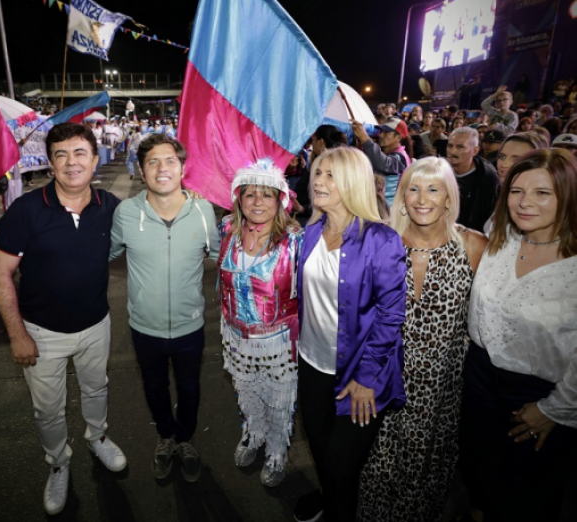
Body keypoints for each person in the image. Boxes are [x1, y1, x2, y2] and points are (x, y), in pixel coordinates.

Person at [0, 123, 127, 516]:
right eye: (61, 155)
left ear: (94, 158)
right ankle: (58, 463)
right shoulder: (27, 210)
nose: (71, 163)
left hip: (96, 325)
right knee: (47, 410)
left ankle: (97, 437)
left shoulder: (111, 206)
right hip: (41, 333)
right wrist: (17, 335)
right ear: (50, 163)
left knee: (96, 388)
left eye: (80, 152)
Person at [358, 157, 487, 522]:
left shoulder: (473, 246)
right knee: (379, 463)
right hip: (385, 380)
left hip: (442, 389)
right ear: (401, 196)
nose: (421, 198)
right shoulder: (382, 243)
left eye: (433, 188)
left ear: (449, 198)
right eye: (413, 188)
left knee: (427, 466)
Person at [460, 148, 577, 522]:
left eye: (542, 193)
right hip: (478, 377)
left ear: (567, 196)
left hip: (539, 393)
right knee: (477, 471)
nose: (525, 203)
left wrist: (555, 409)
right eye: (516, 191)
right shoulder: (499, 238)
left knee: (526, 491)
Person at [293, 147, 407, 522]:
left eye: (330, 175)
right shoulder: (309, 233)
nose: (319, 181)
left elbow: (391, 316)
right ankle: (330, 503)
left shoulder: (381, 240)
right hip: (312, 366)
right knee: (325, 457)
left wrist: (367, 377)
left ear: (354, 182)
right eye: (318, 173)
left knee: (342, 466)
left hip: (360, 375)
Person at [109, 134, 219, 483]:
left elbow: (221, 256)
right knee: (154, 387)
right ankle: (166, 437)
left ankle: (185, 439)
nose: (162, 168)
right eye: (152, 162)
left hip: (190, 326)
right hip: (145, 327)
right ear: (141, 170)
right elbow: (105, 253)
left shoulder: (202, 211)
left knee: (189, 387)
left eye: (170, 160)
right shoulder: (126, 212)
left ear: (183, 168)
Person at [218, 159, 302, 487]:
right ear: (239, 198)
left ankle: (277, 451)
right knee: (248, 393)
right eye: (250, 194)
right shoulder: (227, 230)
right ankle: (254, 436)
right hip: (235, 335)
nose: (257, 203)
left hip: (279, 339)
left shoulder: (295, 241)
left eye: (266, 195)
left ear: (280, 200)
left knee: (279, 401)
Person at [446, 127, 500, 232]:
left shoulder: (488, 178)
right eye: (450, 146)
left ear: (475, 151)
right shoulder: (440, 172)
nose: (452, 151)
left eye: (460, 147)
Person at [352, 117, 410, 206]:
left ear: (398, 137)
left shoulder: (401, 157)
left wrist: (365, 138)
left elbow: (383, 164)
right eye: (381, 132)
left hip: (391, 213)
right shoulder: (388, 154)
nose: (381, 135)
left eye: (386, 133)